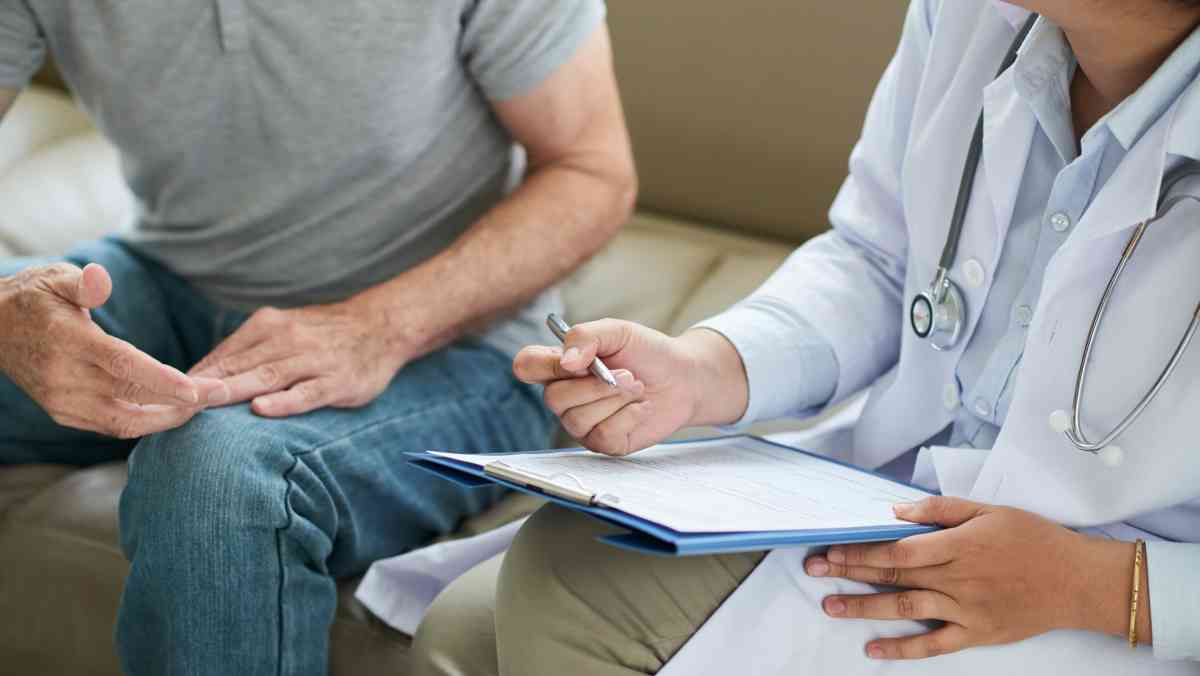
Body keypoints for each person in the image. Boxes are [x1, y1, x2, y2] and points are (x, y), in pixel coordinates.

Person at [410, 1, 1200, 674]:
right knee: (464, 634)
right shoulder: (970, 17)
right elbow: (882, 261)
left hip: (1118, 597)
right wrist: (703, 370)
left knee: (572, 582)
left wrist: (1101, 586)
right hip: (901, 504)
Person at [0, 1, 634, 674]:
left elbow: (590, 170)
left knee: (218, 475)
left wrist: (381, 326)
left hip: (451, 342)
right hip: (172, 279)